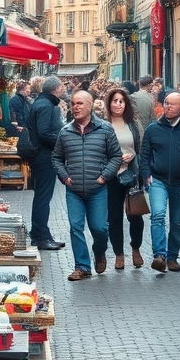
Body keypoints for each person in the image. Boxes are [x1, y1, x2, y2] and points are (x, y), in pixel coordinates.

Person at [52, 90, 123, 281]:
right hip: (74, 190)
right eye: (73, 103)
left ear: (90, 106)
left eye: (80, 103)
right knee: (76, 227)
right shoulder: (65, 131)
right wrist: (65, 177)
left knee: (99, 228)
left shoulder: (105, 129)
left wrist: (104, 177)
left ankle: (99, 252)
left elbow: (116, 156)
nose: (75, 107)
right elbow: (57, 157)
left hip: (97, 189)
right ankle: (82, 267)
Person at [140, 92, 180, 272]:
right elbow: (144, 154)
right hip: (157, 180)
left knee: (177, 222)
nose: (168, 107)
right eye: (166, 103)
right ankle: (159, 255)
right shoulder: (153, 128)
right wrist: (146, 174)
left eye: (173, 104)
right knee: (158, 215)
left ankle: (173, 256)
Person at [104, 85, 145, 269]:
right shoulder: (103, 124)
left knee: (135, 214)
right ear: (110, 104)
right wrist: (114, 159)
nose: (118, 104)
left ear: (126, 104)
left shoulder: (133, 124)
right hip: (112, 175)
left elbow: (141, 147)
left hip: (132, 173)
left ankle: (135, 248)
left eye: (121, 101)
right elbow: (99, 149)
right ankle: (118, 254)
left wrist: (134, 156)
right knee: (114, 217)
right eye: (115, 101)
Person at [27, 76, 66, 251]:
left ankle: (42, 234)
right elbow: (44, 133)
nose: (64, 88)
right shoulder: (45, 105)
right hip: (44, 157)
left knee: (43, 197)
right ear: (55, 89)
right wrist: (62, 141)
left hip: (42, 156)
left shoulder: (43, 103)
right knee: (43, 197)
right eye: (62, 85)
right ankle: (40, 237)